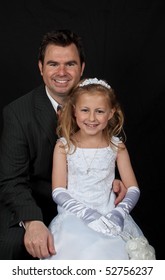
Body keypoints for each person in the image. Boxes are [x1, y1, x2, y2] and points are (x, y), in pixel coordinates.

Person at [0, 30, 126, 260]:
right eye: (52, 64)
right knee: (9, 246)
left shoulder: (97, 105)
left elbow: (102, 153)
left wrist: (111, 179)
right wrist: (32, 221)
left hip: (92, 206)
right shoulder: (17, 114)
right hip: (36, 205)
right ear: (40, 67)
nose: (61, 72)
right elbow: (11, 180)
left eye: (70, 64)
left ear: (82, 67)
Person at [44, 78, 156, 260]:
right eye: (85, 110)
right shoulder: (64, 146)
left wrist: (119, 213)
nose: (91, 118)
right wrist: (86, 214)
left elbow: (133, 188)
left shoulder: (116, 146)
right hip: (74, 216)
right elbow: (58, 191)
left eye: (100, 111)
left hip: (109, 215)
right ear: (74, 111)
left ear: (111, 113)